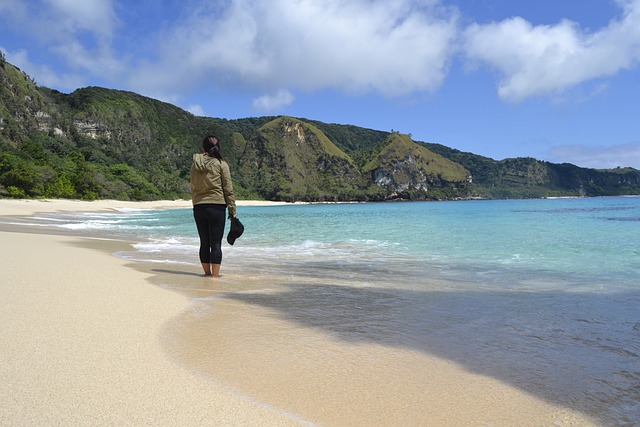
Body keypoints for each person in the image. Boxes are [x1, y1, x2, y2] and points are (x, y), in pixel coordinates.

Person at [190, 135, 236, 277]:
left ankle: (207, 274)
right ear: (218, 147)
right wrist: (232, 210)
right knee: (215, 244)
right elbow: (228, 189)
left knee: (204, 243)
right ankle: (215, 277)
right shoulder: (221, 164)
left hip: (199, 207)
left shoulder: (195, 164)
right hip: (217, 206)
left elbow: (193, 186)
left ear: (203, 147)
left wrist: (196, 203)